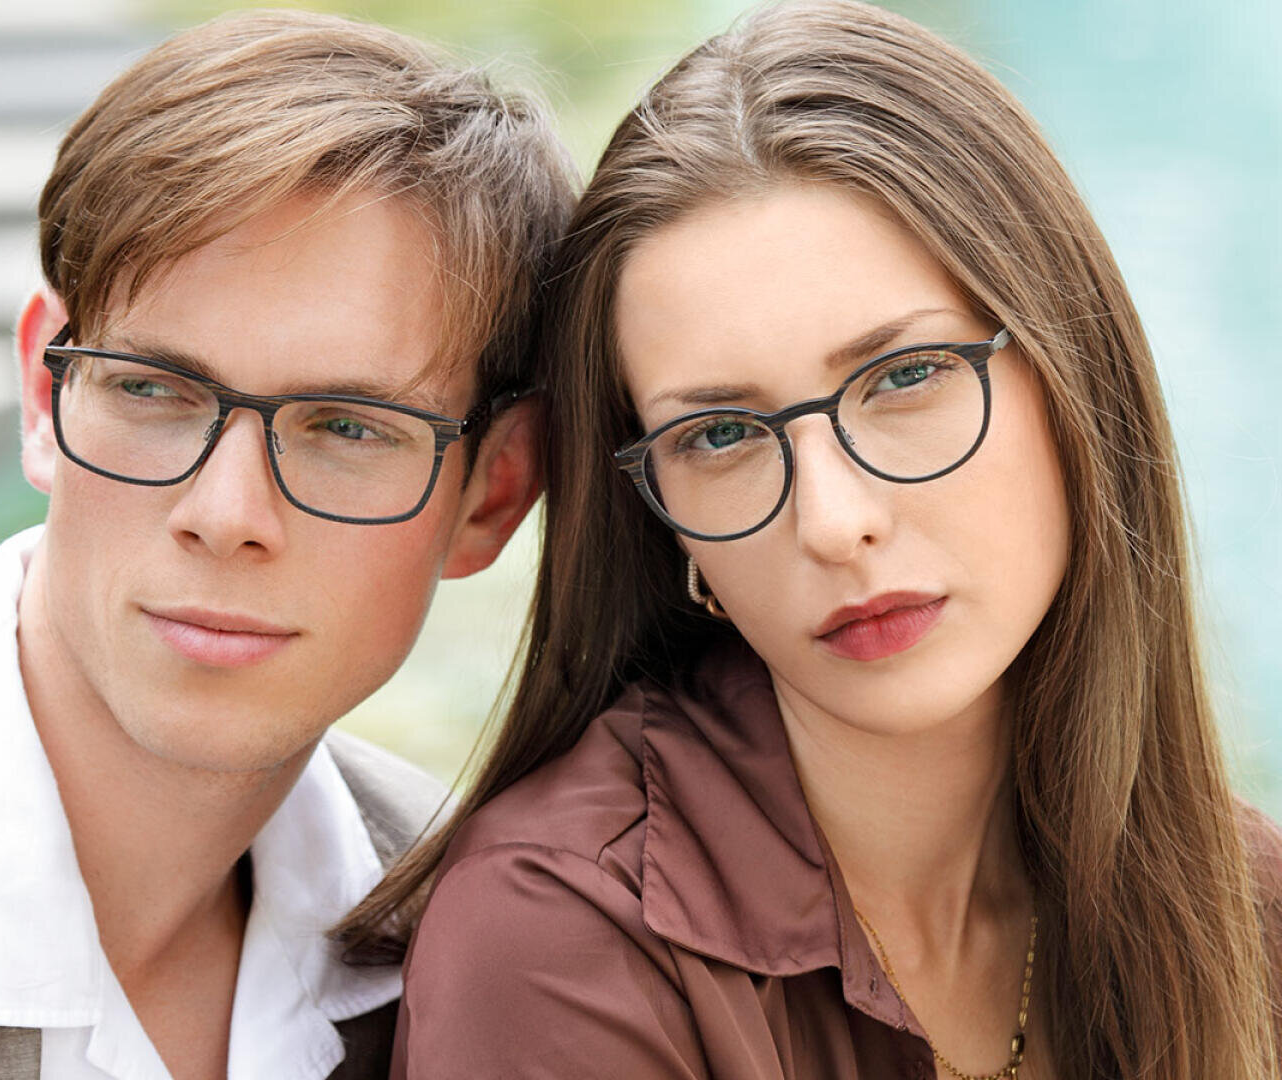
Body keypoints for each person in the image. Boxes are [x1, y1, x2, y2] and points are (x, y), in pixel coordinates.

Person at [362, 2, 1282, 1077]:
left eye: (903, 378)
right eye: (719, 435)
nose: (837, 521)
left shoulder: (1244, 910)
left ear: (1070, 375)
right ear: (665, 524)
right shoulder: (558, 935)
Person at [0, 11, 572, 1080]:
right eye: (152, 389)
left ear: (492, 496)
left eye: (347, 427)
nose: (225, 511)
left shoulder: (485, 935)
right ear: (48, 391)